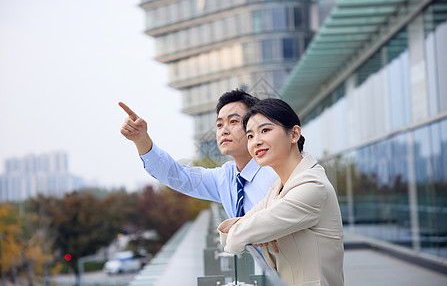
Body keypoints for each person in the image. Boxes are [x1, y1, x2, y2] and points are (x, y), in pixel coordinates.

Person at [217, 98, 344, 286]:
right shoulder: (277, 189)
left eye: (265, 130)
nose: (256, 142)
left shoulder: (312, 186)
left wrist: (256, 233)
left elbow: (237, 238)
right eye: (250, 136)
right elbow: (226, 236)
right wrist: (259, 233)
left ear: (294, 134)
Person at [119, 89, 278, 219]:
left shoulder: (277, 172)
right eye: (219, 124)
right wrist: (141, 139)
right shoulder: (226, 177)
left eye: (233, 121)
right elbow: (177, 176)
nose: (224, 130)